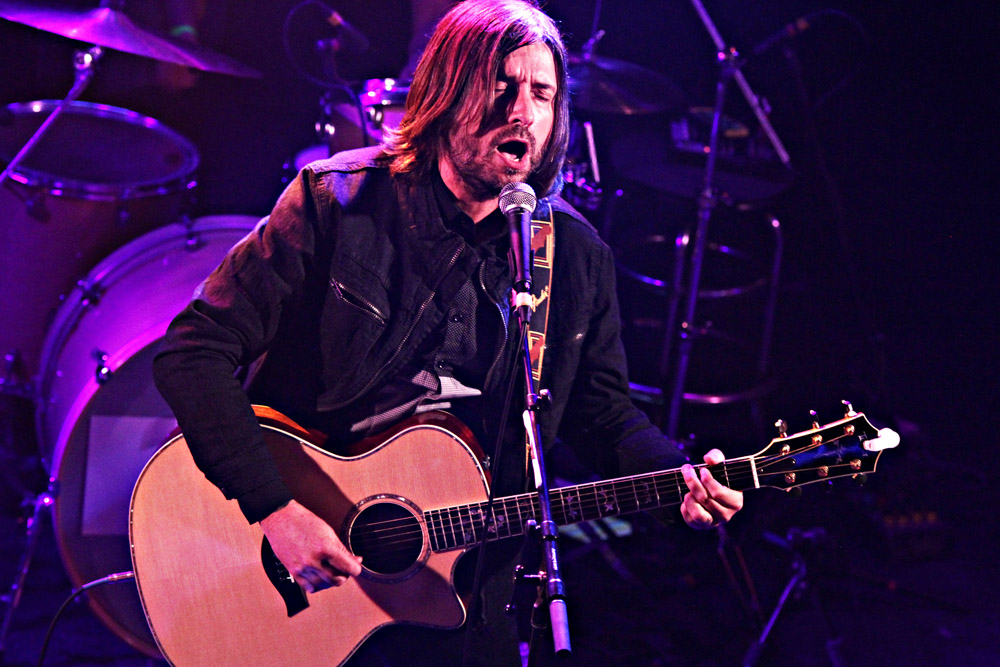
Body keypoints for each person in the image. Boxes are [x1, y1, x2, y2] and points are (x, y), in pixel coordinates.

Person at [152, 0, 743, 664]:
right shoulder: (336, 202)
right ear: (446, 91)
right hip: (306, 563)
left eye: (542, 94)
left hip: (466, 593)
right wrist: (275, 507)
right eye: (502, 85)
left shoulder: (573, 255)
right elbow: (192, 351)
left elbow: (601, 413)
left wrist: (677, 475)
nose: (522, 111)